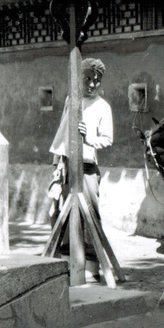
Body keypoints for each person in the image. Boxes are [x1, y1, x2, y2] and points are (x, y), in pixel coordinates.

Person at [48, 58, 113, 281]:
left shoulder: (103, 106)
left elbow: (107, 139)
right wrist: (57, 168)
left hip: (87, 168)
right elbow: (62, 132)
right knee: (62, 215)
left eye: (97, 80)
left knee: (91, 214)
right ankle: (66, 260)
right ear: (80, 79)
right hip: (67, 166)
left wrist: (89, 137)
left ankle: (93, 264)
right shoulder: (71, 101)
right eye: (88, 79)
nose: (92, 84)